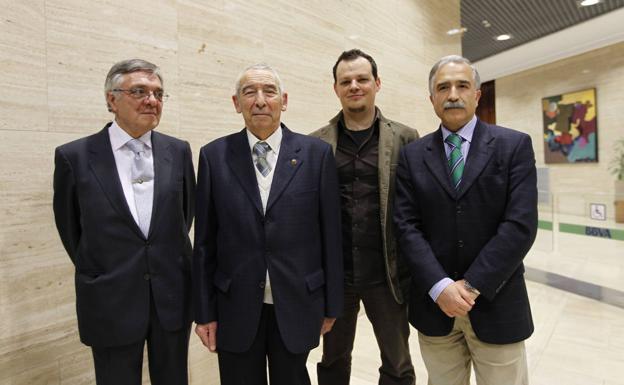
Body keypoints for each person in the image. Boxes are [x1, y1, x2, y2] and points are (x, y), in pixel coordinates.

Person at [193, 63, 343, 385]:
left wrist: (332, 303)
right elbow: (204, 242)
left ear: (284, 100)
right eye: (249, 92)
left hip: (297, 300)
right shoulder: (213, 157)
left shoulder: (317, 156)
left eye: (269, 91)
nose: (260, 100)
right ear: (236, 103)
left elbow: (331, 236)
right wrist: (204, 311)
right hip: (234, 304)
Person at [393, 54, 538, 385]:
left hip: (496, 301)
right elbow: (406, 226)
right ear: (432, 99)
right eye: (443, 87)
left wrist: (471, 286)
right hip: (435, 307)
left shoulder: (513, 146)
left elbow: (520, 226)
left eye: (462, 85)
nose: (453, 94)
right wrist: (441, 286)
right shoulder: (413, 155)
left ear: (477, 94)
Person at [53, 59, 196, 385]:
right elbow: (72, 232)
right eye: (139, 91)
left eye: (159, 94)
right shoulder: (74, 157)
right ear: (111, 100)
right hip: (110, 300)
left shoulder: (178, 151)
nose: (152, 100)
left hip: (171, 298)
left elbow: (182, 217)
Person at [311, 49, 417, 385]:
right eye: (346, 81)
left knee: (398, 362)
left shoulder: (405, 138)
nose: (354, 86)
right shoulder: (316, 144)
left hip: (387, 273)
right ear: (336, 88)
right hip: (336, 275)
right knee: (333, 359)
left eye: (362, 79)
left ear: (377, 83)